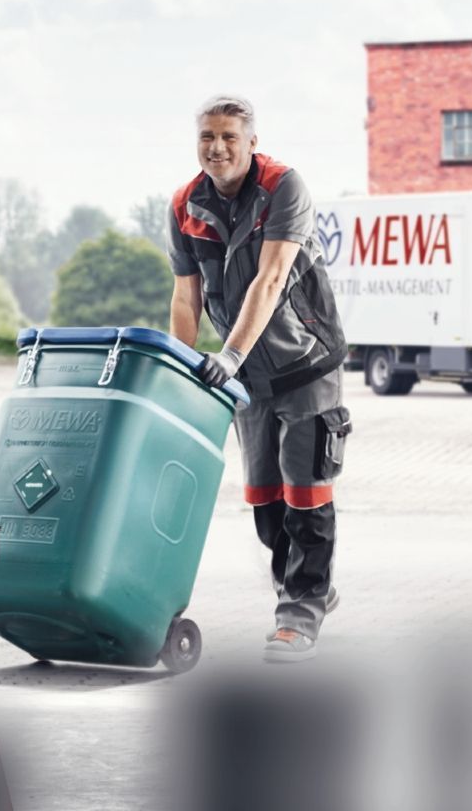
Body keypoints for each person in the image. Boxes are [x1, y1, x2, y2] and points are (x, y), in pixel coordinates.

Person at [166, 95, 349, 663]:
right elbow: (185, 293)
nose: (216, 147)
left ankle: (299, 612)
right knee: (265, 500)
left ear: (251, 142)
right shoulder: (185, 204)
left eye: (228, 137)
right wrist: (178, 370)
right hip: (245, 377)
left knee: (306, 492)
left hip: (303, 364)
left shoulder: (283, 188)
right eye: (206, 137)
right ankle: (304, 585)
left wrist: (230, 353)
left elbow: (269, 280)